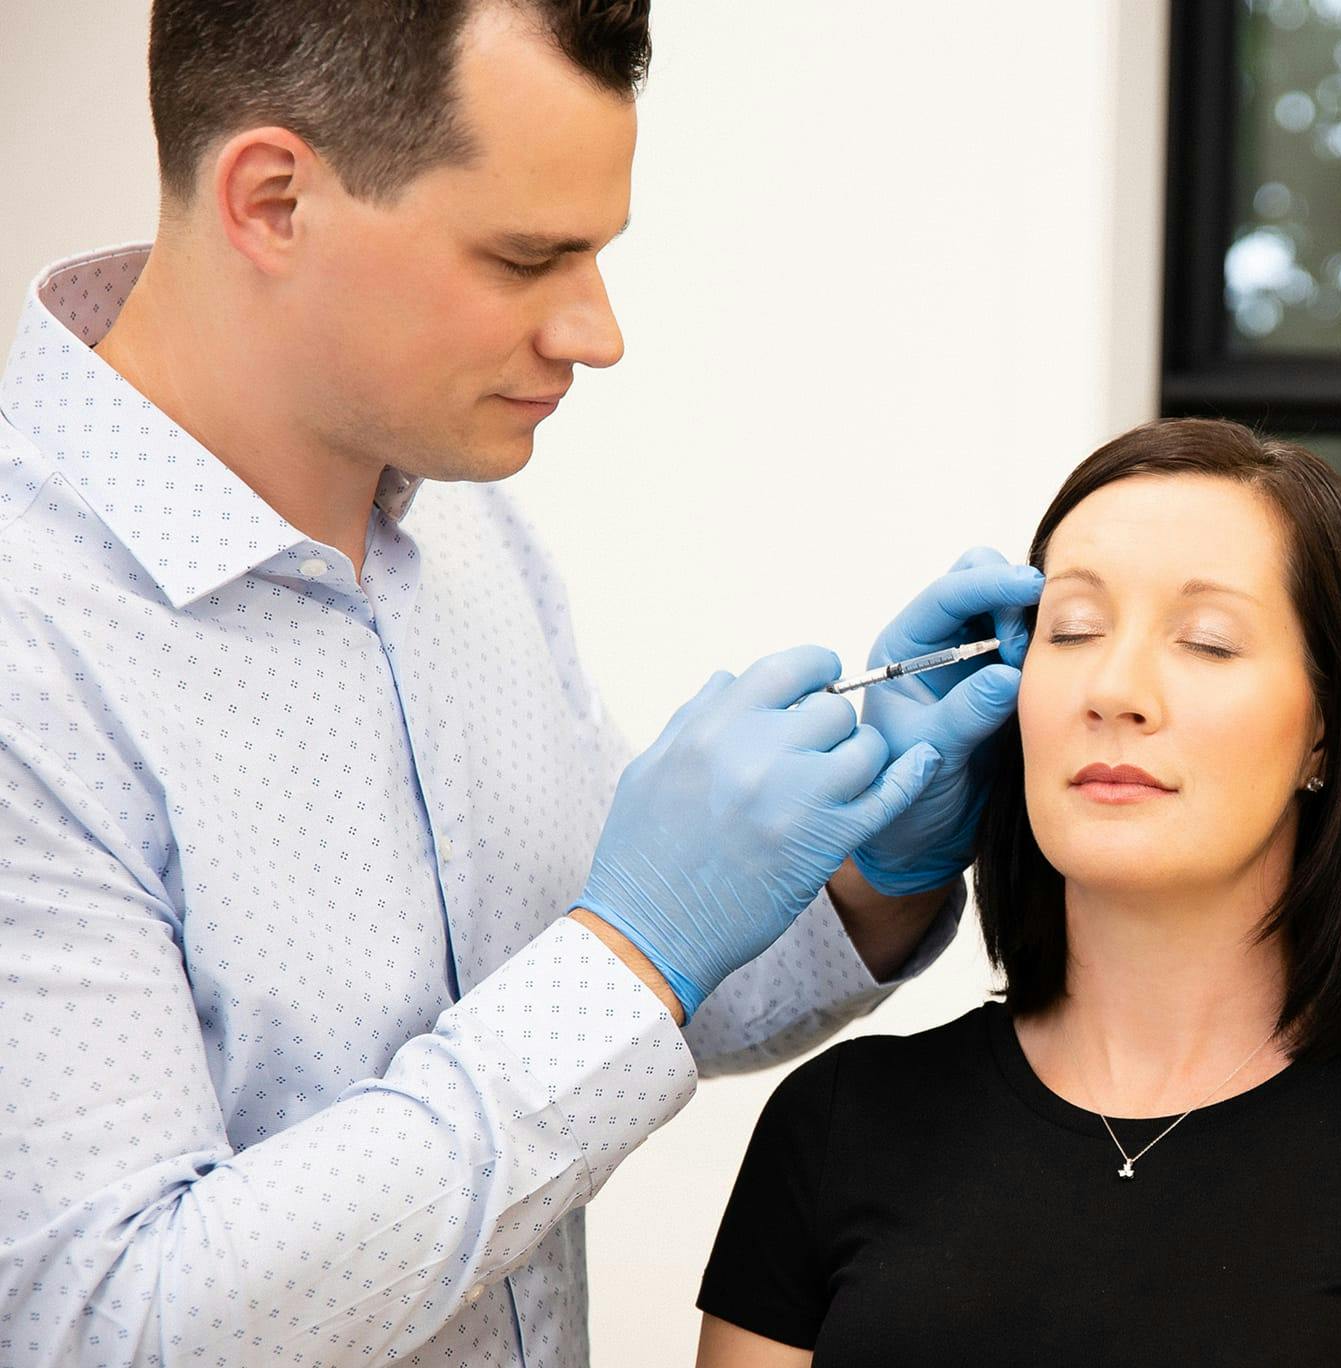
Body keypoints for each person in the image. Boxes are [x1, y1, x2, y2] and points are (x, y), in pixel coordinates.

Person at [0, 3, 1043, 1365]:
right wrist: (632, 949)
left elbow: (613, 1003)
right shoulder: (34, 651)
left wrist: (866, 873)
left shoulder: (466, 535)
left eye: (596, 252)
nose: (595, 334)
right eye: (526, 256)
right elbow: (107, 1326)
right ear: (271, 199)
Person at [695, 418, 1341, 1368]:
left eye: (1208, 642)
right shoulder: (839, 1124)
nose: (1113, 687)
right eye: (1071, 630)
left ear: (1326, 733)